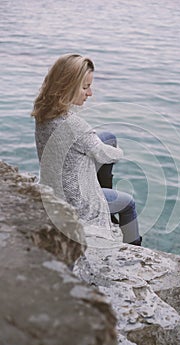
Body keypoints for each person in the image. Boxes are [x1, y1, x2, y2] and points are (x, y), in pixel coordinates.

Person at [31, 53, 141, 246]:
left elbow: (87, 141)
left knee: (108, 137)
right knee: (128, 204)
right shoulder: (75, 126)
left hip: (52, 184)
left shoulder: (44, 110)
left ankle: (103, 187)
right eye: (85, 87)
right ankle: (135, 251)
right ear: (68, 87)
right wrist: (124, 152)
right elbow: (106, 154)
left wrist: (95, 139)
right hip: (75, 202)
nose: (90, 94)